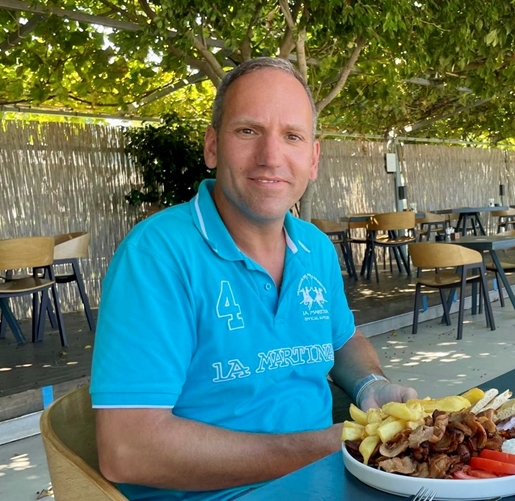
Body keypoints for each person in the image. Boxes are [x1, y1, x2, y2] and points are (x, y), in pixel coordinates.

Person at [90, 57, 418, 501]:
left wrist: (371, 385)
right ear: (212, 146)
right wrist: (320, 448)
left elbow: (342, 341)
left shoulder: (314, 248)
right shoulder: (156, 256)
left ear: (313, 159)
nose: (271, 157)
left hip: (333, 481)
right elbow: (128, 450)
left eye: (292, 136)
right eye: (248, 131)